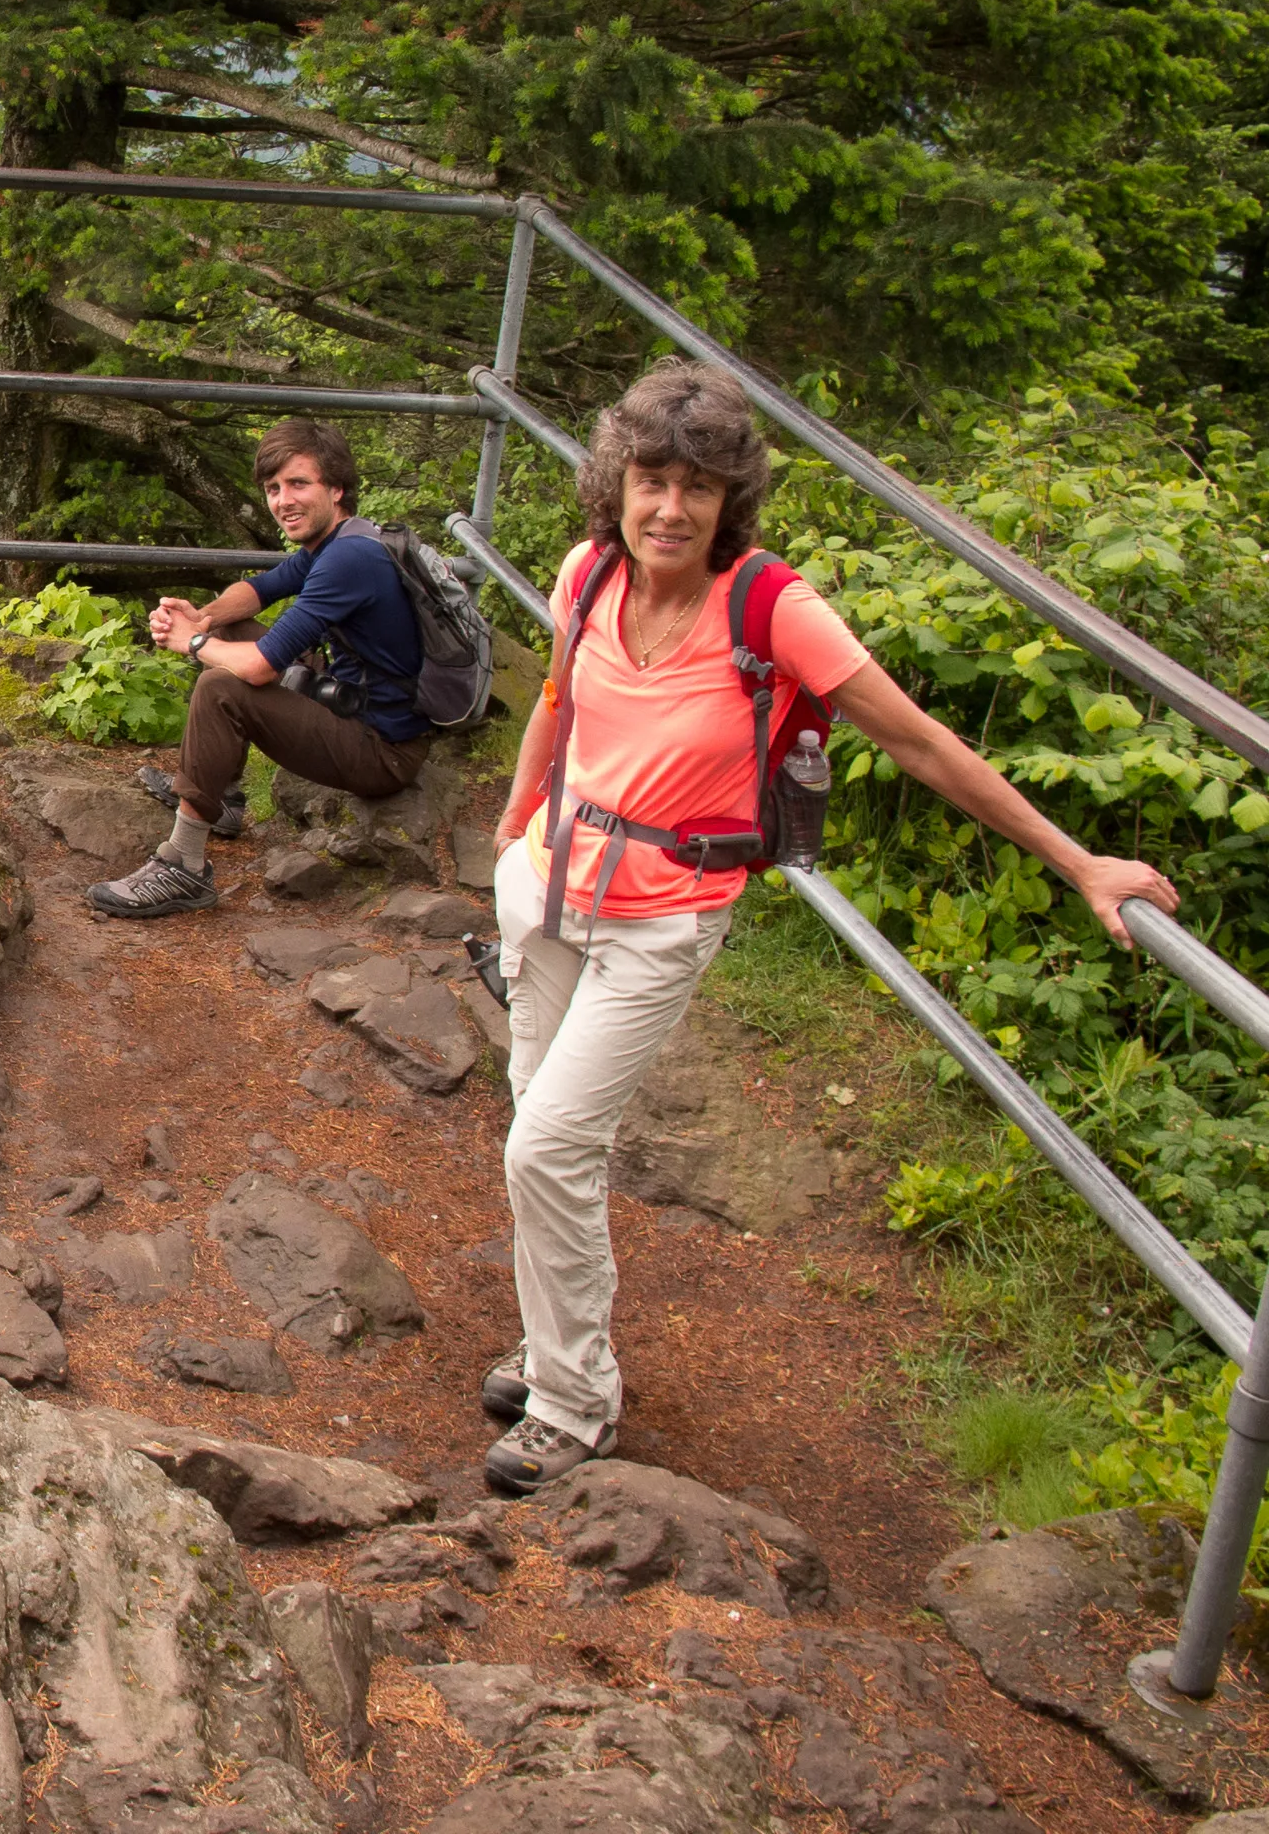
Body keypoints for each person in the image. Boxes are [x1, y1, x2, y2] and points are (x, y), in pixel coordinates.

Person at [477, 359, 1176, 1492]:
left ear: (729, 498)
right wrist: (512, 832)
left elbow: (922, 740)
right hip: (547, 888)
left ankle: (573, 1402)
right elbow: (557, 706)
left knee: (547, 1145)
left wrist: (1079, 860)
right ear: (616, 481)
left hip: (665, 920)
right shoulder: (588, 572)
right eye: (651, 479)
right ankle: (557, 1342)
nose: (669, 507)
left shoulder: (772, 608)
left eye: (696, 487)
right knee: (546, 1134)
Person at [89, 417, 430, 918]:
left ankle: (183, 864)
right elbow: (257, 591)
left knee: (219, 686)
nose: (283, 500)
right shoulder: (337, 544)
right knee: (227, 632)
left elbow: (259, 669)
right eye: (273, 488)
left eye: (298, 483)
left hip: (382, 751)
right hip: (352, 703)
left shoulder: (349, 560)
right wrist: (205, 617)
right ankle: (221, 798)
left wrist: (191, 641)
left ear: (336, 489)